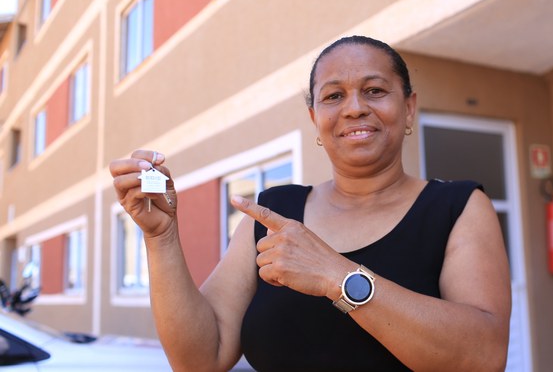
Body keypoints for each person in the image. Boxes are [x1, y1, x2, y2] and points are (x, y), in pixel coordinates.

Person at [110, 35, 511, 371]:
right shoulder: (272, 214)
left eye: (374, 90)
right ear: (314, 117)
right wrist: (161, 238)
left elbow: (484, 356)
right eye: (334, 96)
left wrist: (336, 275)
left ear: (408, 108)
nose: (354, 107)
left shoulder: (458, 207)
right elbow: (200, 359)